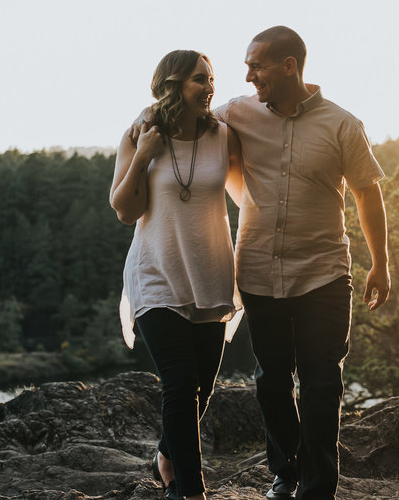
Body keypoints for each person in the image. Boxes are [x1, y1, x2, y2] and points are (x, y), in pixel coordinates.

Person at [215, 26, 391, 499]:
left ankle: (317, 489)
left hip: (324, 274)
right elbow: (187, 121)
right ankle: (285, 472)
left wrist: (381, 263)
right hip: (257, 270)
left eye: (257, 65)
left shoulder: (342, 124)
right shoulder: (235, 112)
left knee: (320, 385)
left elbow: (367, 192)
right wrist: (145, 123)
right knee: (271, 383)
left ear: (289, 65)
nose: (249, 75)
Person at [110, 50, 243, 500]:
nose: (209, 87)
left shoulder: (224, 135)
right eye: (198, 80)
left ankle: (166, 455)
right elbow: (126, 211)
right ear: (172, 85)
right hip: (156, 275)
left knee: (201, 390)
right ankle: (190, 491)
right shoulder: (140, 136)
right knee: (180, 384)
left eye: (211, 79)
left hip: (210, 275)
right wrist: (143, 155)